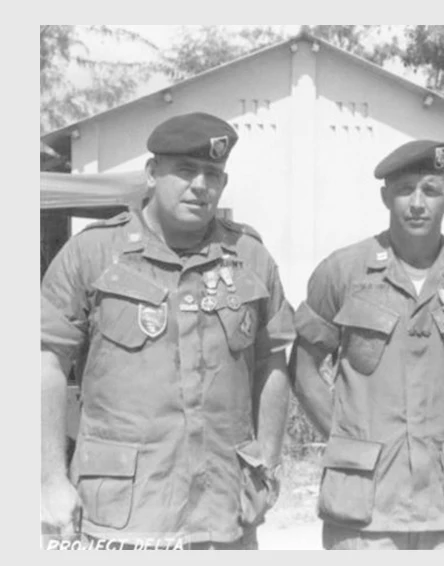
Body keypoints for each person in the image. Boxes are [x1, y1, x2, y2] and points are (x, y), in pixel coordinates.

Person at [40, 112, 295, 549]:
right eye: (185, 170)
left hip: (225, 510)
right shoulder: (93, 253)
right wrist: (49, 479)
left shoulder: (250, 257)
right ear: (151, 173)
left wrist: (267, 462)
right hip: (123, 513)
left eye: (212, 174)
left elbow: (272, 362)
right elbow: (45, 363)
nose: (200, 185)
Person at [291, 140, 444, 550]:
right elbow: (303, 369)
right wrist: (346, 440)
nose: (417, 203)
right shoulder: (343, 271)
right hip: (363, 509)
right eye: (404, 190)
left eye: (430, 190)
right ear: (385, 197)